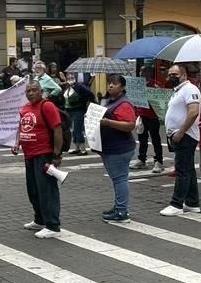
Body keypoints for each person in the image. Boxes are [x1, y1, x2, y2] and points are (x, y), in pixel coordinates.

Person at [12, 81, 64, 238]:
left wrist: (56, 154)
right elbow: (21, 127)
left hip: (44, 154)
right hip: (29, 155)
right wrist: (17, 143)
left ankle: (53, 225)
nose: (31, 93)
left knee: (47, 190)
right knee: (33, 190)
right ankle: (40, 219)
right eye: (28, 91)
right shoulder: (25, 108)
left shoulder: (47, 106)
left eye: (34, 90)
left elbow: (57, 129)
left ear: (41, 91)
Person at [159, 64, 201, 216]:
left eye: (175, 74)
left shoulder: (190, 89)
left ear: (184, 75)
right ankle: (192, 202)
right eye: (169, 74)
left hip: (185, 135)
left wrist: (181, 131)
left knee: (182, 170)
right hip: (178, 134)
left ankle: (176, 204)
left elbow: (193, 112)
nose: (171, 76)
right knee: (188, 169)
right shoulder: (178, 91)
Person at [97, 75, 138, 223]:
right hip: (110, 146)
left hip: (119, 148)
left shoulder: (124, 104)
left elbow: (130, 125)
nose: (110, 86)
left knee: (120, 179)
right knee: (117, 179)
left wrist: (108, 122)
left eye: (114, 84)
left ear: (122, 87)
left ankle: (121, 210)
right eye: (109, 84)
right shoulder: (110, 101)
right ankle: (118, 206)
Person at [131, 65, 164, 174]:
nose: (142, 73)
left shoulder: (154, 85)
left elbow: (159, 100)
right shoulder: (138, 85)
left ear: (149, 73)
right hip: (142, 115)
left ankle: (159, 161)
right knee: (142, 138)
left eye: (144, 72)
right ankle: (142, 159)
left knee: (155, 139)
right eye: (141, 71)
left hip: (153, 116)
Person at [64, 73, 94, 155]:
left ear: (75, 78)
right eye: (68, 77)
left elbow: (90, 94)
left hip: (78, 110)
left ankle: (83, 150)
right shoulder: (68, 86)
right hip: (70, 110)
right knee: (73, 130)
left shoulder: (79, 86)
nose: (70, 78)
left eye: (72, 77)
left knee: (78, 129)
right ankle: (77, 148)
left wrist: (84, 103)